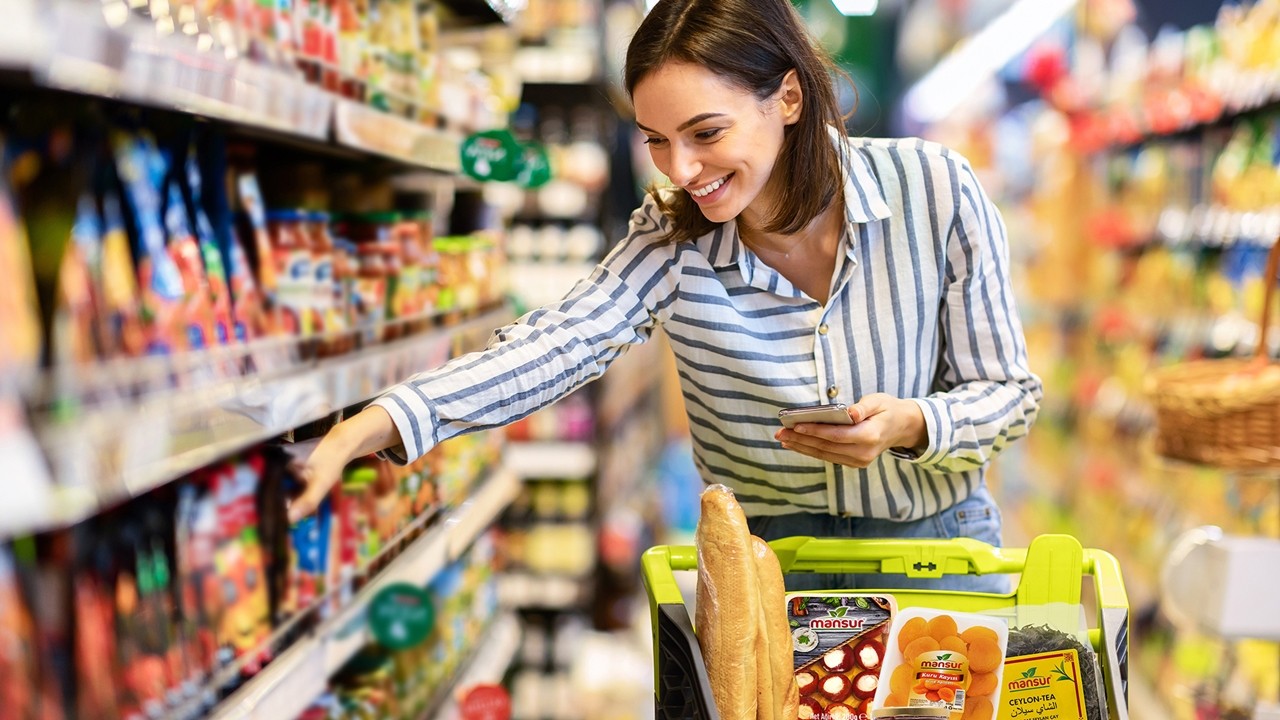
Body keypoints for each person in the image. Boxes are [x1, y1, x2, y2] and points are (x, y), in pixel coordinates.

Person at [287, 0, 1042, 593]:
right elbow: (561, 342)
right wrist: (375, 424)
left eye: (705, 132)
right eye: (655, 139)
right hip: (762, 578)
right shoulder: (673, 238)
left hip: (934, 561)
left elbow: (1009, 394)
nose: (680, 168)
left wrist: (913, 423)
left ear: (786, 97)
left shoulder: (934, 188)